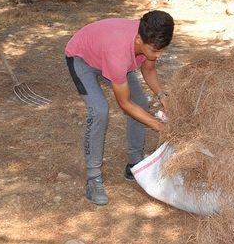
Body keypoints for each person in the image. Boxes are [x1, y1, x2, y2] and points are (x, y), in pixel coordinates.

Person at [65, 10, 174, 205]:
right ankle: (93, 178)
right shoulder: (118, 53)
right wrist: (159, 126)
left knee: (140, 102)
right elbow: (125, 104)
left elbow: (148, 69)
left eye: (161, 50)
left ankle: (134, 164)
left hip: (108, 55)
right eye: (155, 51)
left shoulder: (148, 38)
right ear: (139, 40)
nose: (159, 55)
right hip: (82, 58)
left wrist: (162, 95)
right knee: (99, 110)